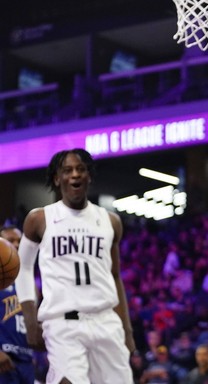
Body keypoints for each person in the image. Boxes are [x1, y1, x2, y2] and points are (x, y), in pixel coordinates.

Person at [14, 148, 135, 383]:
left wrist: (127, 330)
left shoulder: (110, 221)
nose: (75, 175)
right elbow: (23, 268)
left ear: (89, 176)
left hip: (105, 320)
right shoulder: (39, 219)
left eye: (81, 169)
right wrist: (30, 319)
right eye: (67, 170)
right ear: (56, 178)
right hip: (63, 322)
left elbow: (115, 275)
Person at [0, 226, 35, 383]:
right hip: (4, 359)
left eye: (18, 241)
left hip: (26, 360)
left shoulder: (30, 283)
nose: (16, 244)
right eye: (10, 241)